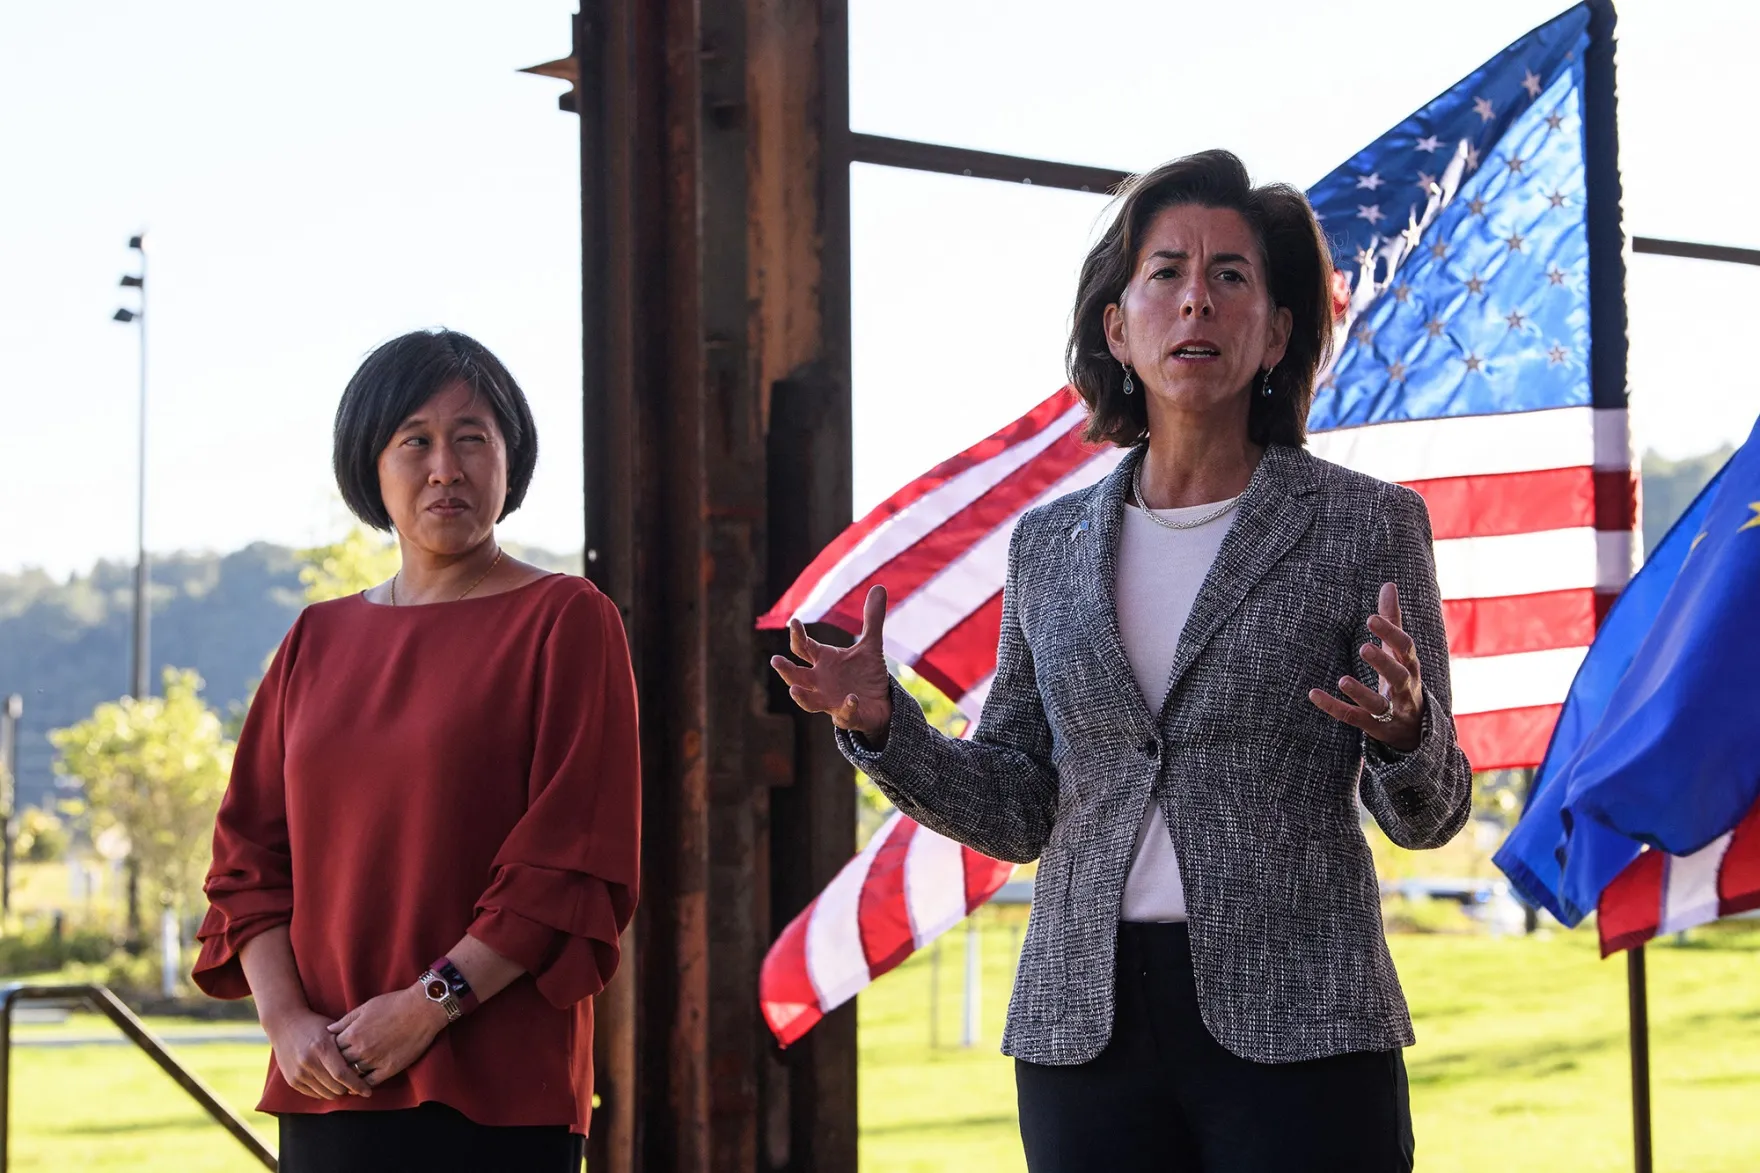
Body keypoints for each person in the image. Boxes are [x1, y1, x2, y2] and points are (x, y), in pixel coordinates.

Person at [771, 150, 1471, 1172]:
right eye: (1167, 272)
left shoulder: (1366, 526)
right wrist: (881, 726)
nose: (1196, 299)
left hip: (1303, 1022)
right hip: (1083, 1031)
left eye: (1230, 275)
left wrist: (1408, 733)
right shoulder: (1045, 546)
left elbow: (1429, 815)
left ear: (1276, 334)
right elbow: (1019, 806)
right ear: (1117, 326)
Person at [193, 329, 640, 1171]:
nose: (446, 468)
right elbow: (247, 859)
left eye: (472, 438)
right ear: (371, 464)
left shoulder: (566, 619)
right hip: (328, 1078)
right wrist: (286, 1022)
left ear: (510, 459)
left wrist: (431, 1003)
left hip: (498, 1089)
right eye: (416, 441)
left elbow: (570, 860)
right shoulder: (315, 638)